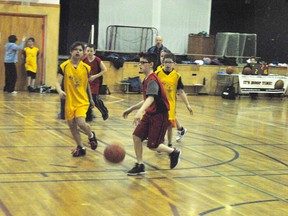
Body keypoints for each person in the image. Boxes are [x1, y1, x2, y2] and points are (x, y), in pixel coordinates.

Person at [123, 52, 181, 176]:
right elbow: (147, 99)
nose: (140, 65)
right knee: (136, 137)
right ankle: (140, 165)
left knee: (153, 146)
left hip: (159, 116)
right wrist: (132, 108)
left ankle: (173, 152)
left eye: (143, 63)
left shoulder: (153, 80)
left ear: (151, 64)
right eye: (139, 62)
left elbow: (151, 99)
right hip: (150, 114)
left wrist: (139, 111)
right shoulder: (146, 79)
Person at [55, 41, 98, 157]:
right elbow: (57, 82)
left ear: (83, 53)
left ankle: (91, 135)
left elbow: (87, 84)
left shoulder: (86, 67)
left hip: (82, 101)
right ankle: (81, 147)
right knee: (72, 126)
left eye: (80, 50)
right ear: (71, 52)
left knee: (80, 122)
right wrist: (60, 91)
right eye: (76, 49)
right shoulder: (63, 66)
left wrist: (91, 99)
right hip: (69, 101)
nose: (78, 52)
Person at [155, 53, 193, 147]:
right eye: (166, 62)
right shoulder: (157, 74)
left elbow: (181, 91)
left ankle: (170, 144)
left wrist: (187, 104)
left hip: (171, 104)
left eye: (170, 62)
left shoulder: (177, 76)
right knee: (160, 124)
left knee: (169, 125)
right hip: (159, 103)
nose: (168, 64)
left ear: (174, 64)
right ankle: (160, 141)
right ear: (163, 63)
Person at [82, 44, 109, 121]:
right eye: (87, 51)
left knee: (94, 98)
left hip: (95, 82)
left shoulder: (97, 60)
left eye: (91, 51)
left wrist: (94, 76)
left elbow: (104, 70)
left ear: (94, 51)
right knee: (86, 98)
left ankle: (104, 111)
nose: (89, 52)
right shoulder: (83, 59)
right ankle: (88, 115)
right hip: (86, 82)